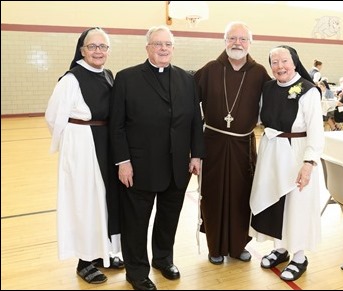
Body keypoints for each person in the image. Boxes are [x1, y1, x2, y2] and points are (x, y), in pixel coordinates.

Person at [109, 25, 205, 291]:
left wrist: (196, 154)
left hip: (177, 165)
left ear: (173, 48)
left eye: (168, 44)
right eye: (158, 44)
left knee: (168, 217)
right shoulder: (127, 78)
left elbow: (196, 121)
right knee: (137, 221)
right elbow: (116, 125)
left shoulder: (186, 79)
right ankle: (136, 270)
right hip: (139, 166)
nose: (163, 49)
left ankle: (163, 259)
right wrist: (123, 161)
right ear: (148, 47)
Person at [45, 27, 124, 284]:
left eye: (103, 47)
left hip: (106, 145)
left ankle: (103, 253)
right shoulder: (71, 79)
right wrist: (72, 147)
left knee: (105, 200)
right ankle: (84, 261)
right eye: (93, 47)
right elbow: (53, 117)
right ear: (82, 50)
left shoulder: (108, 75)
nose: (98, 51)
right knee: (86, 203)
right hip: (83, 149)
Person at [194, 21, 271, 265]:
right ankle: (215, 246)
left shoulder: (259, 73)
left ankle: (238, 246)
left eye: (242, 39)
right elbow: (188, 105)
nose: (237, 43)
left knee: (242, 195)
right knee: (213, 195)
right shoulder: (209, 69)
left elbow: (276, 101)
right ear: (224, 41)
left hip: (243, 146)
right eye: (232, 38)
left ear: (250, 43)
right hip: (212, 143)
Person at [249, 45, 324, 281]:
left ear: (294, 62)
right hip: (271, 151)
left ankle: (299, 257)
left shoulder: (308, 91)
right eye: (274, 62)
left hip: (297, 153)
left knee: (296, 205)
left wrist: (309, 163)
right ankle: (280, 249)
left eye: (284, 61)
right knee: (275, 203)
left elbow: (316, 131)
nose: (279, 66)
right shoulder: (268, 88)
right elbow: (260, 117)